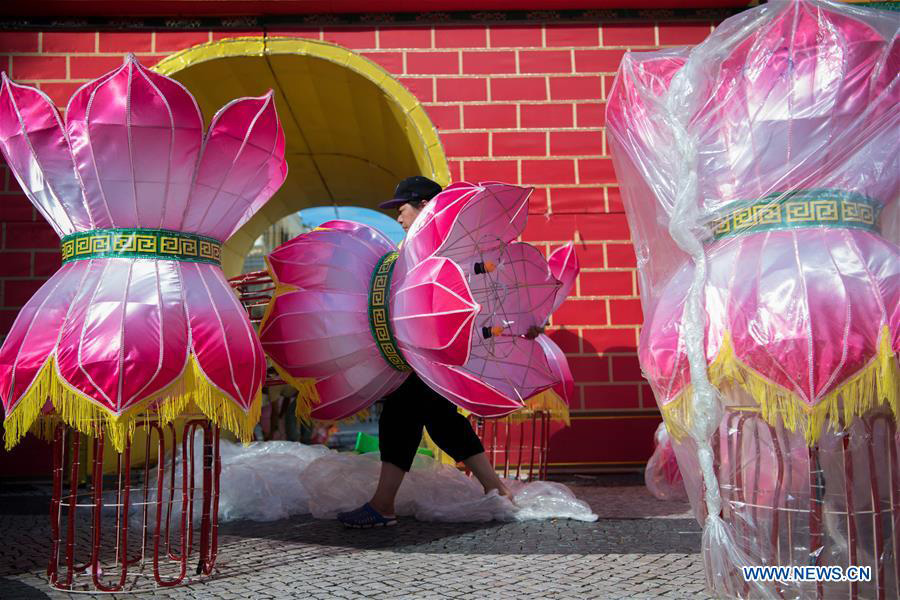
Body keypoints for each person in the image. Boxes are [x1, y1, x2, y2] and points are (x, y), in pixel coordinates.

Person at [337, 176, 511, 528]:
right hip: (431, 352)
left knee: (400, 416)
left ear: (423, 205)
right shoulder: (435, 241)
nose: (398, 217)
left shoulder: (433, 244)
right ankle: (497, 489)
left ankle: (383, 505)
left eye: (402, 209)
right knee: (442, 420)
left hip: (427, 351)